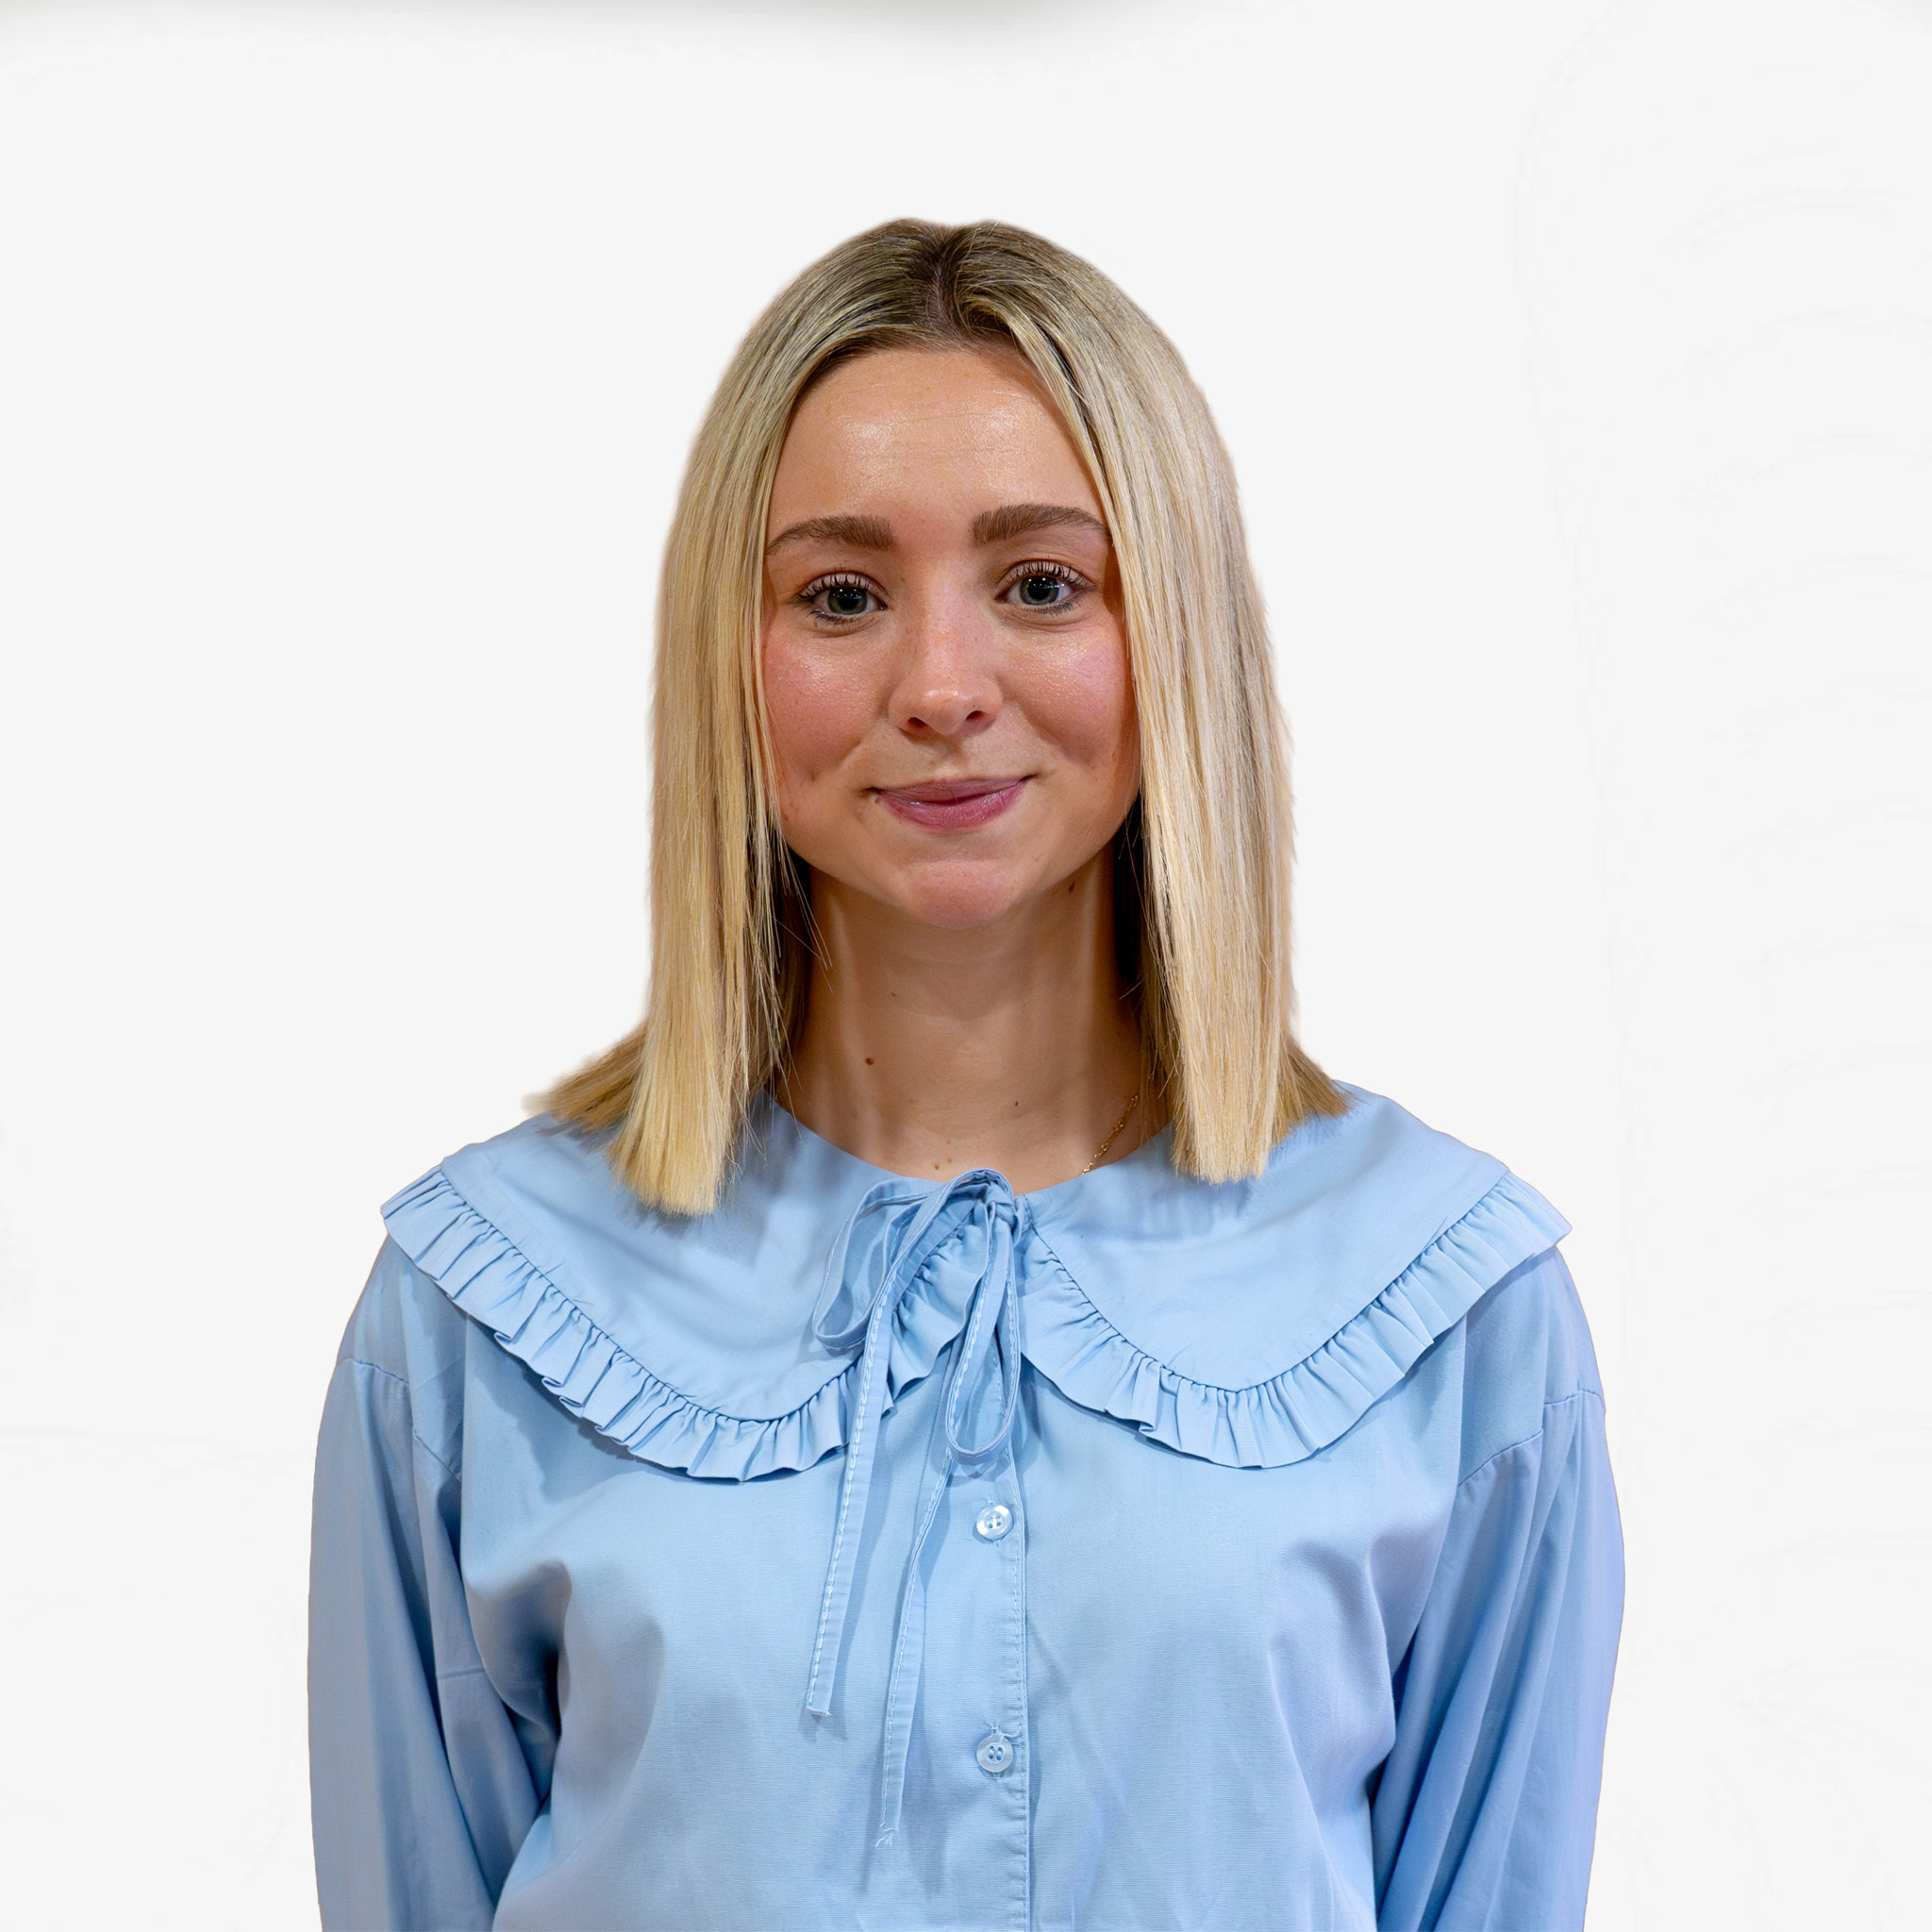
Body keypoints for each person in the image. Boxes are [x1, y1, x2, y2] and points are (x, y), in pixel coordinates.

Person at [308, 219, 1623, 1932]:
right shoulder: (481, 1310)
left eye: (1043, 584)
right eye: (841, 595)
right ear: (731, 657)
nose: (940, 687)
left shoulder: (1449, 1305)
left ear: (1176, 637)